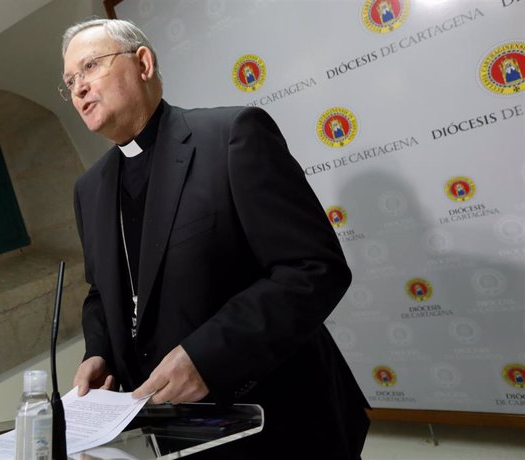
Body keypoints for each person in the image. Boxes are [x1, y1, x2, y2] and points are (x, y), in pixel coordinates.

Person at [62, 17, 370, 458]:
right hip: (171, 434)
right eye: (70, 80)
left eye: (90, 66)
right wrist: (101, 354)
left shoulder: (233, 136)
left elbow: (313, 270)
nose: (79, 88)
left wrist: (210, 358)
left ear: (143, 64)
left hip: (278, 422)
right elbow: (104, 292)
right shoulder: (87, 189)